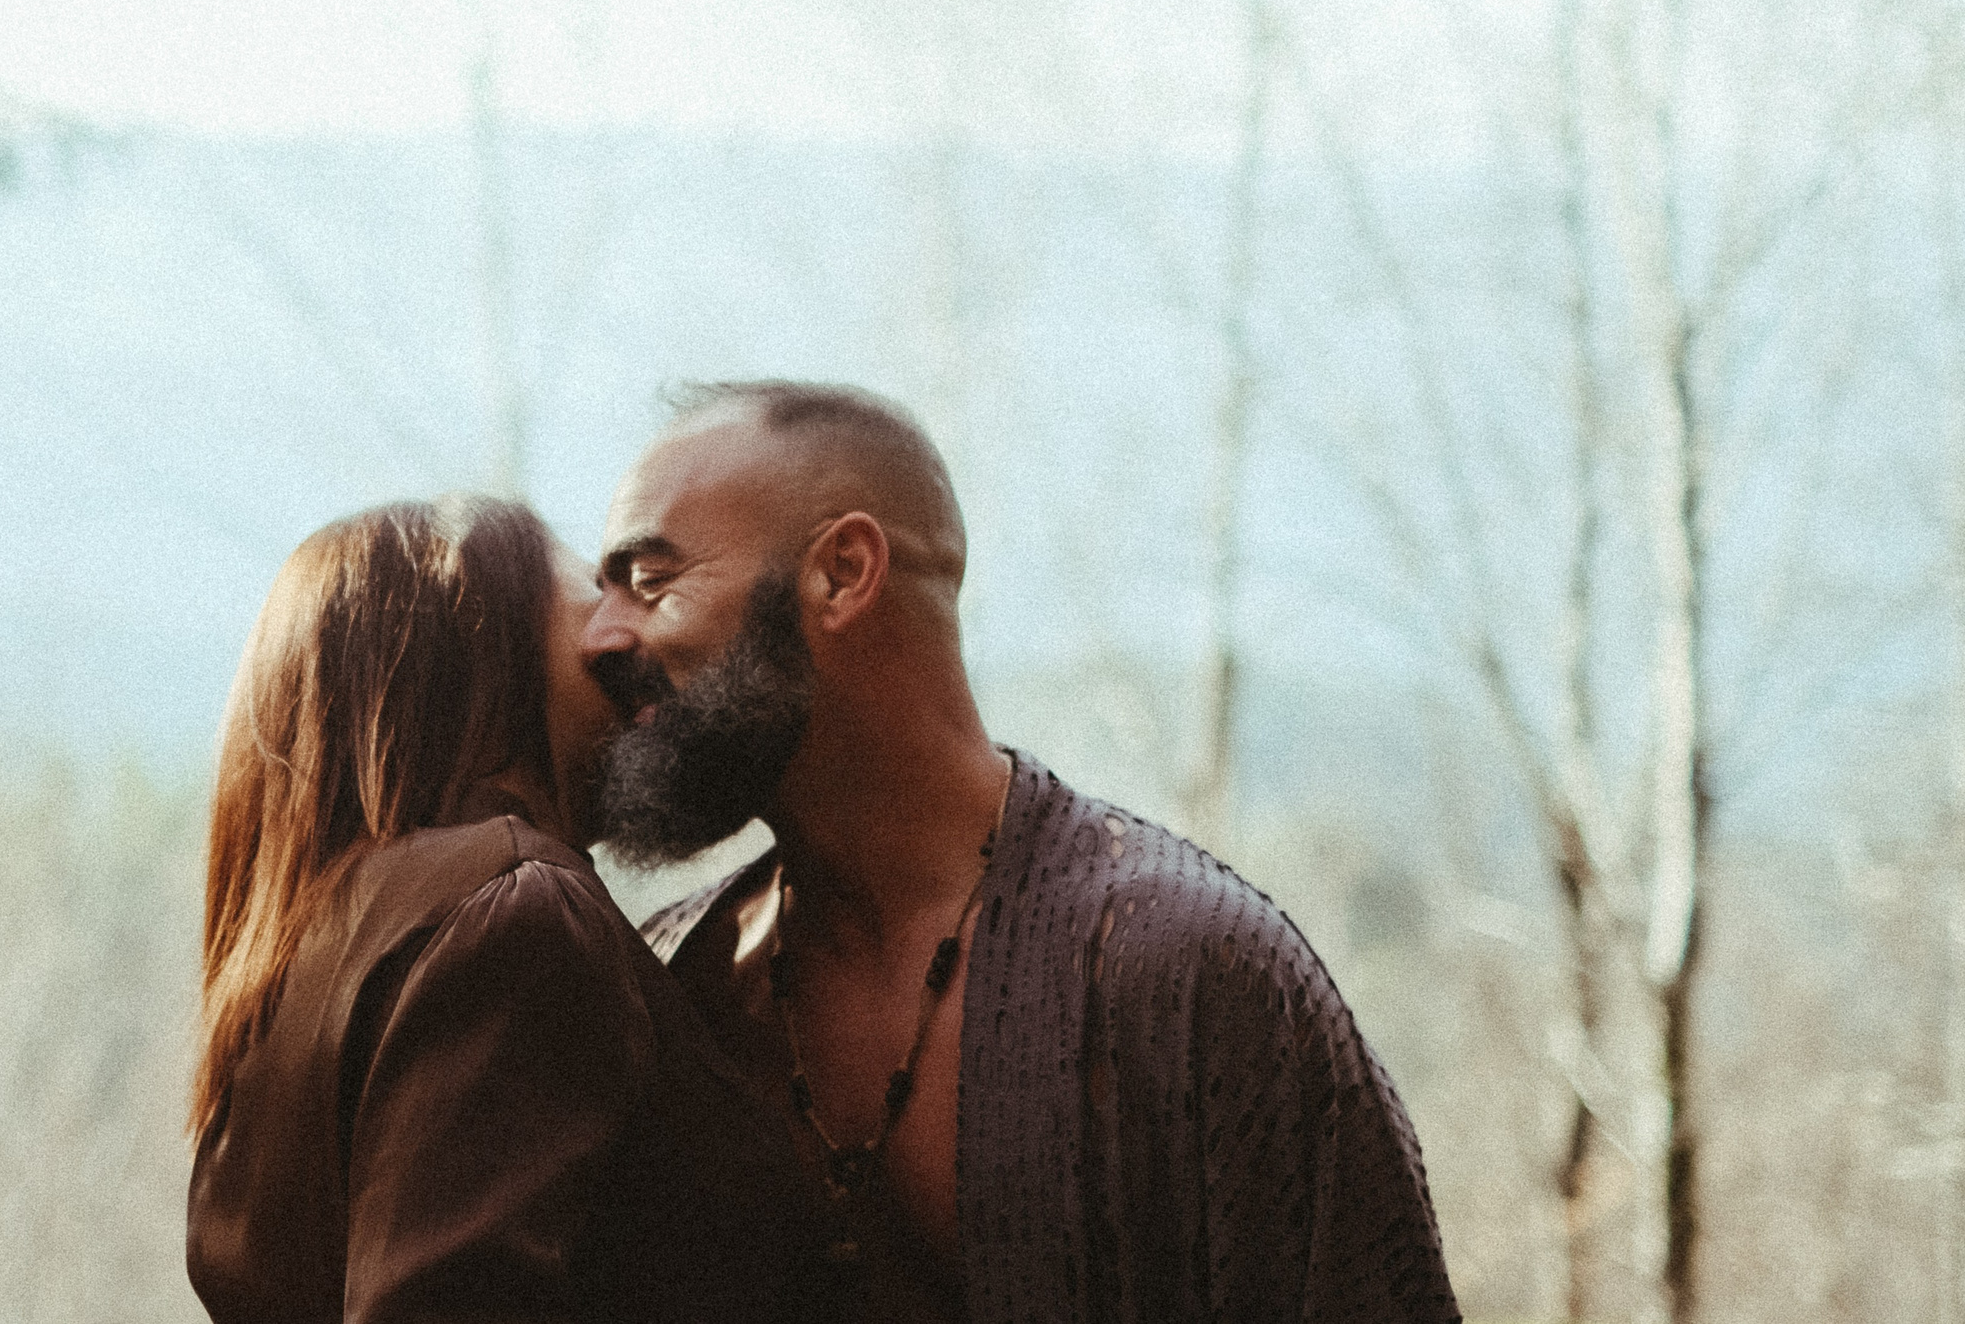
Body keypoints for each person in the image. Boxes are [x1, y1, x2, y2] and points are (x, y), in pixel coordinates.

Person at [583, 381, 1462, 1324]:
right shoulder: (670, 989)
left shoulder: (1187, 971)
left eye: (650, 579)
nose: (600, 635)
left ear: (842, 573)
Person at [186, 495, 830, 1324]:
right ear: (472, 649)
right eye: (587, 598)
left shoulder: (294, 960)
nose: (616, 634)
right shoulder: (516, 908)